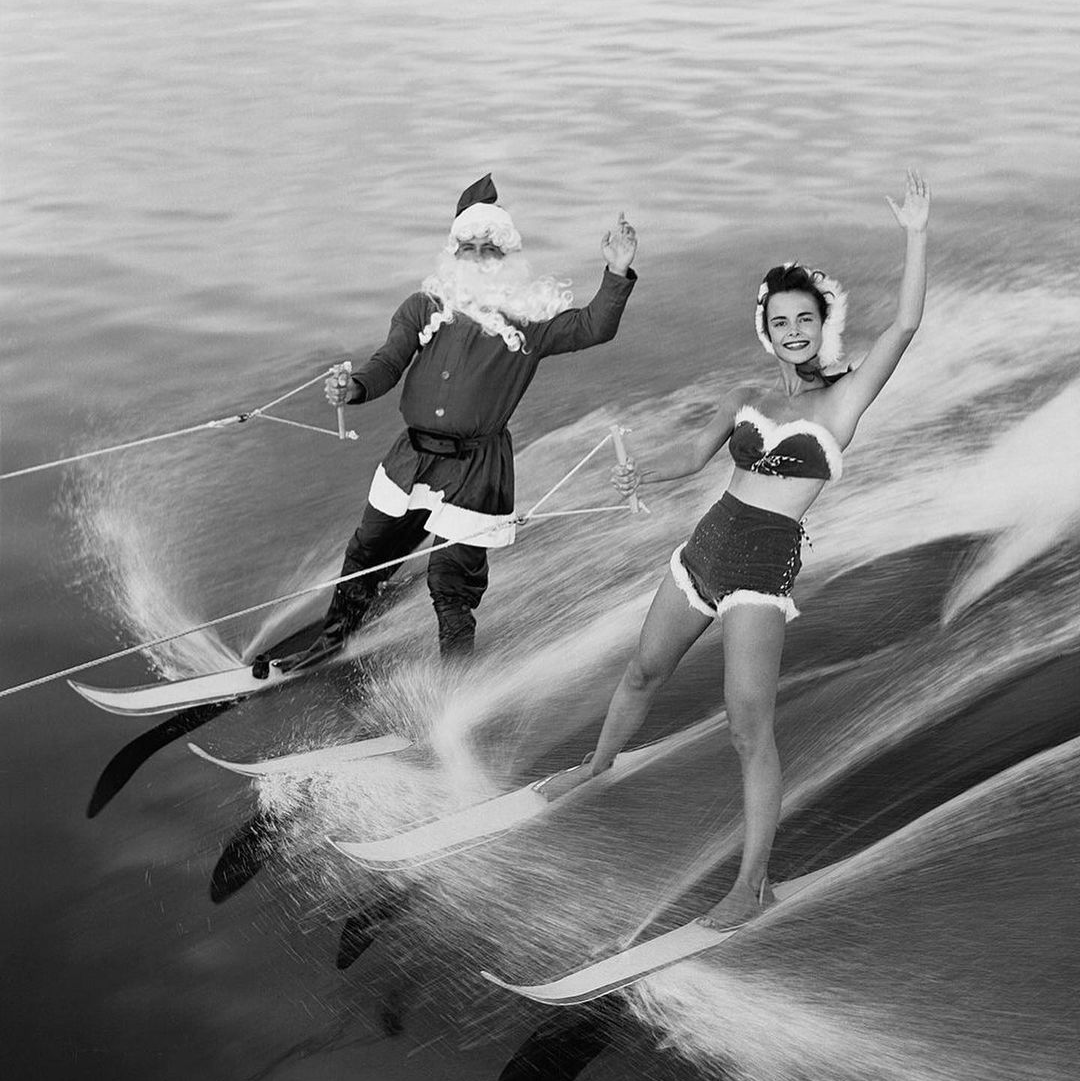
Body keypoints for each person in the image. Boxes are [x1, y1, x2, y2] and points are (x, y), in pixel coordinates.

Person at [539, 169, 931, 930]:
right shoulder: (745, 398)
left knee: (748, 728)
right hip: (704, 547)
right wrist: (643, 470)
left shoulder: (843, 400)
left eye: (805, 318)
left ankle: (753, 885)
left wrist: (915, 234)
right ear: (767, 329)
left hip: (761, 568)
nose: (794, 330)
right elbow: (693, 455)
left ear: (823, 323)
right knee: (643, 670)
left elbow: (906, 325)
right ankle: (596, 766)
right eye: (781, 321)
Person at [281, 174, 638, 670]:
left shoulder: (529, 323)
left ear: (507, 257)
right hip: (411, 460)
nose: (477, 258)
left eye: (489, 249)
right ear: (453, 253)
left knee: (450, 583)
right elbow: (387, 363)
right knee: (367, 551)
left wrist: (617, 270)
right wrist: (355, 388)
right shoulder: (422, 307)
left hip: (476, 472)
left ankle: (456, 684)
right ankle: (332, 641)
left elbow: (593, 326)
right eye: (467, 248)